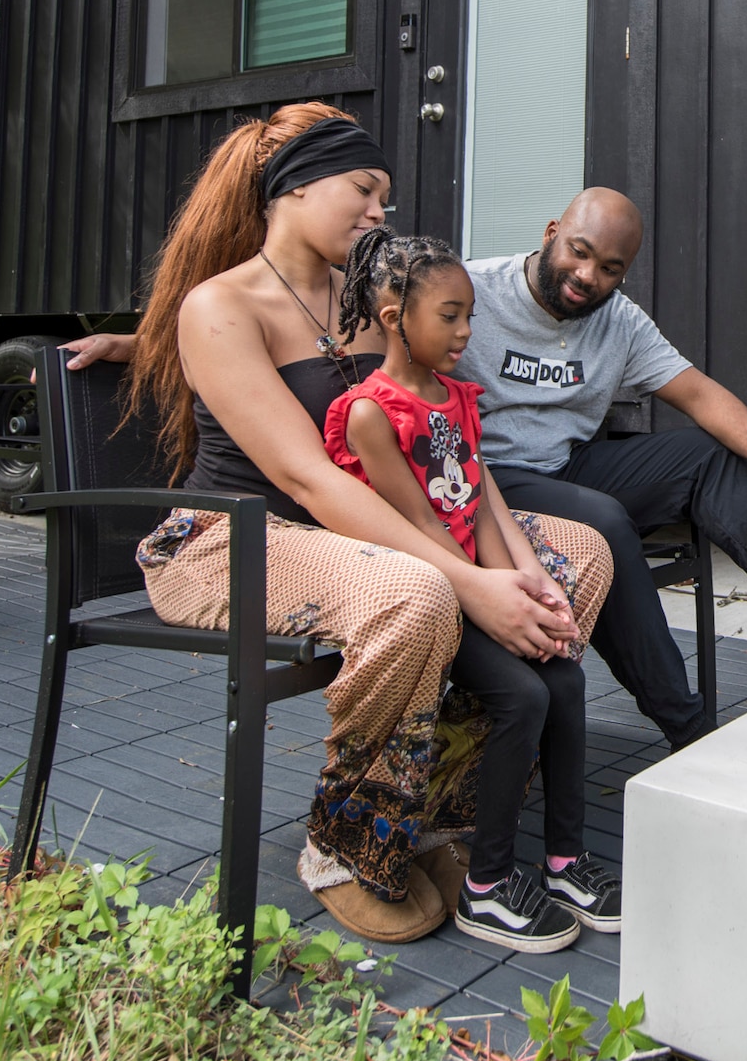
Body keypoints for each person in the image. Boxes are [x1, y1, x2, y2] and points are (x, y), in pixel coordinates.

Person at [115, 103, 610, 945]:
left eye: (384, 195)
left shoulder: (370, 302)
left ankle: (440, 807)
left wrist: (517, 566)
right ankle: (347, 839)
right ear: (296, 186)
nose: (381, 211)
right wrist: (471, 586)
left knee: (581, 553)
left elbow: (449, 436)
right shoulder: (221, 305)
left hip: (353, 534)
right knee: (415, 593)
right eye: (364, 189)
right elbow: (305, 476)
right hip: (230, 540)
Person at [460, 189, 747, 748]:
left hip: (566, 468)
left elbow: (699, 393)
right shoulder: (471, 292)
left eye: (610, 268)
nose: (587, 275)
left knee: (705, 456)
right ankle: (688, 729)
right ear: (550, 234)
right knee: (604, 523)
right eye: (578, 251)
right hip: (487, 485)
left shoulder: (618, 321)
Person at [326, 227, 618, 952]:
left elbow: (483, 507)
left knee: (566, 678)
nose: (465, 331)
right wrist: (490, 596)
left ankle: (563, 861)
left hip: (474, 585)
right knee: (522, 696)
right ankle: (486, 886)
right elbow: (423, 525)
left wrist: (534, 584)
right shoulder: (371, 413)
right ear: (395, 319)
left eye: (469, 315)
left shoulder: (457, 397)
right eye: (450, 316)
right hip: (425, 595)